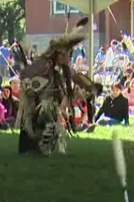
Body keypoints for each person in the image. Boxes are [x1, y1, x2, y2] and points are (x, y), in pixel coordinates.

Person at [18, 18, 95, 156]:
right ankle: (30, 148)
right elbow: (25, 76)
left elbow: (75, 76)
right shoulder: (44, 64)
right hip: (34, 98)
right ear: (57, 54)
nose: (67, 58)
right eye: (65, 55)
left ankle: (43, 147)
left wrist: (91, 87)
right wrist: (33, 88)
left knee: (49, 116)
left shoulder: (60, 67)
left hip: (47, 99)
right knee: (39, 116)